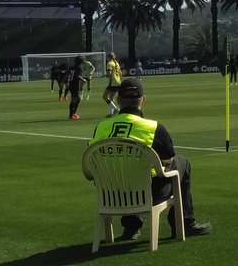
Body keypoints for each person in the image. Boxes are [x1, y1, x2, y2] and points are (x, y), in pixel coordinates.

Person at [88, 79, 212, 242]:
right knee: (182, 162)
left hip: (112, 194)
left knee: (124, 172)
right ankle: (183, 222)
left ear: (118, 100)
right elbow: (168, 159)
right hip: (149, 193)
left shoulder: (102, 127)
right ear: (143, 100)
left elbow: (92, 163)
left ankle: (131, 228)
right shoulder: (153, 128)